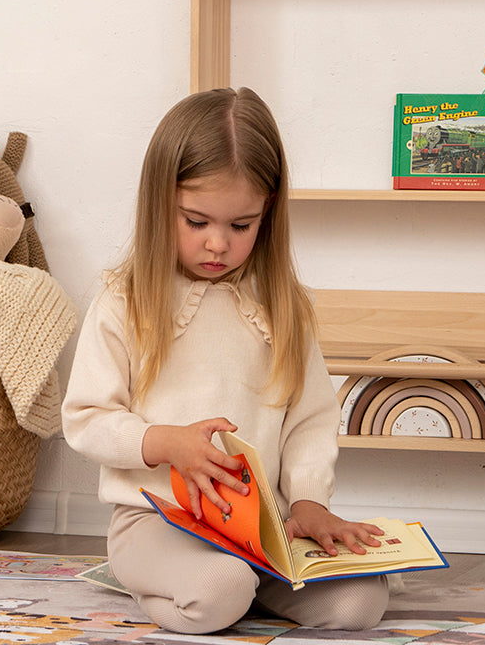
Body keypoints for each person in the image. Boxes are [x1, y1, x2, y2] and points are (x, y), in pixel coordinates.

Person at [62, 88, 389, 634]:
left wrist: (308, 500)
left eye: (241, 226)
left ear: (268, 212)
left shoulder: (282, 306)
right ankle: (173, 580)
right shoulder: (125, 300)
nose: (218, 244)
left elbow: (309, 421)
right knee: (222, 589)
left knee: (360, 602)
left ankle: (238, 584)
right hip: (156, 521)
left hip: (262, 528)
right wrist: (165, 442)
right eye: (196, 221)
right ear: (159, 203)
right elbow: (86, 419)